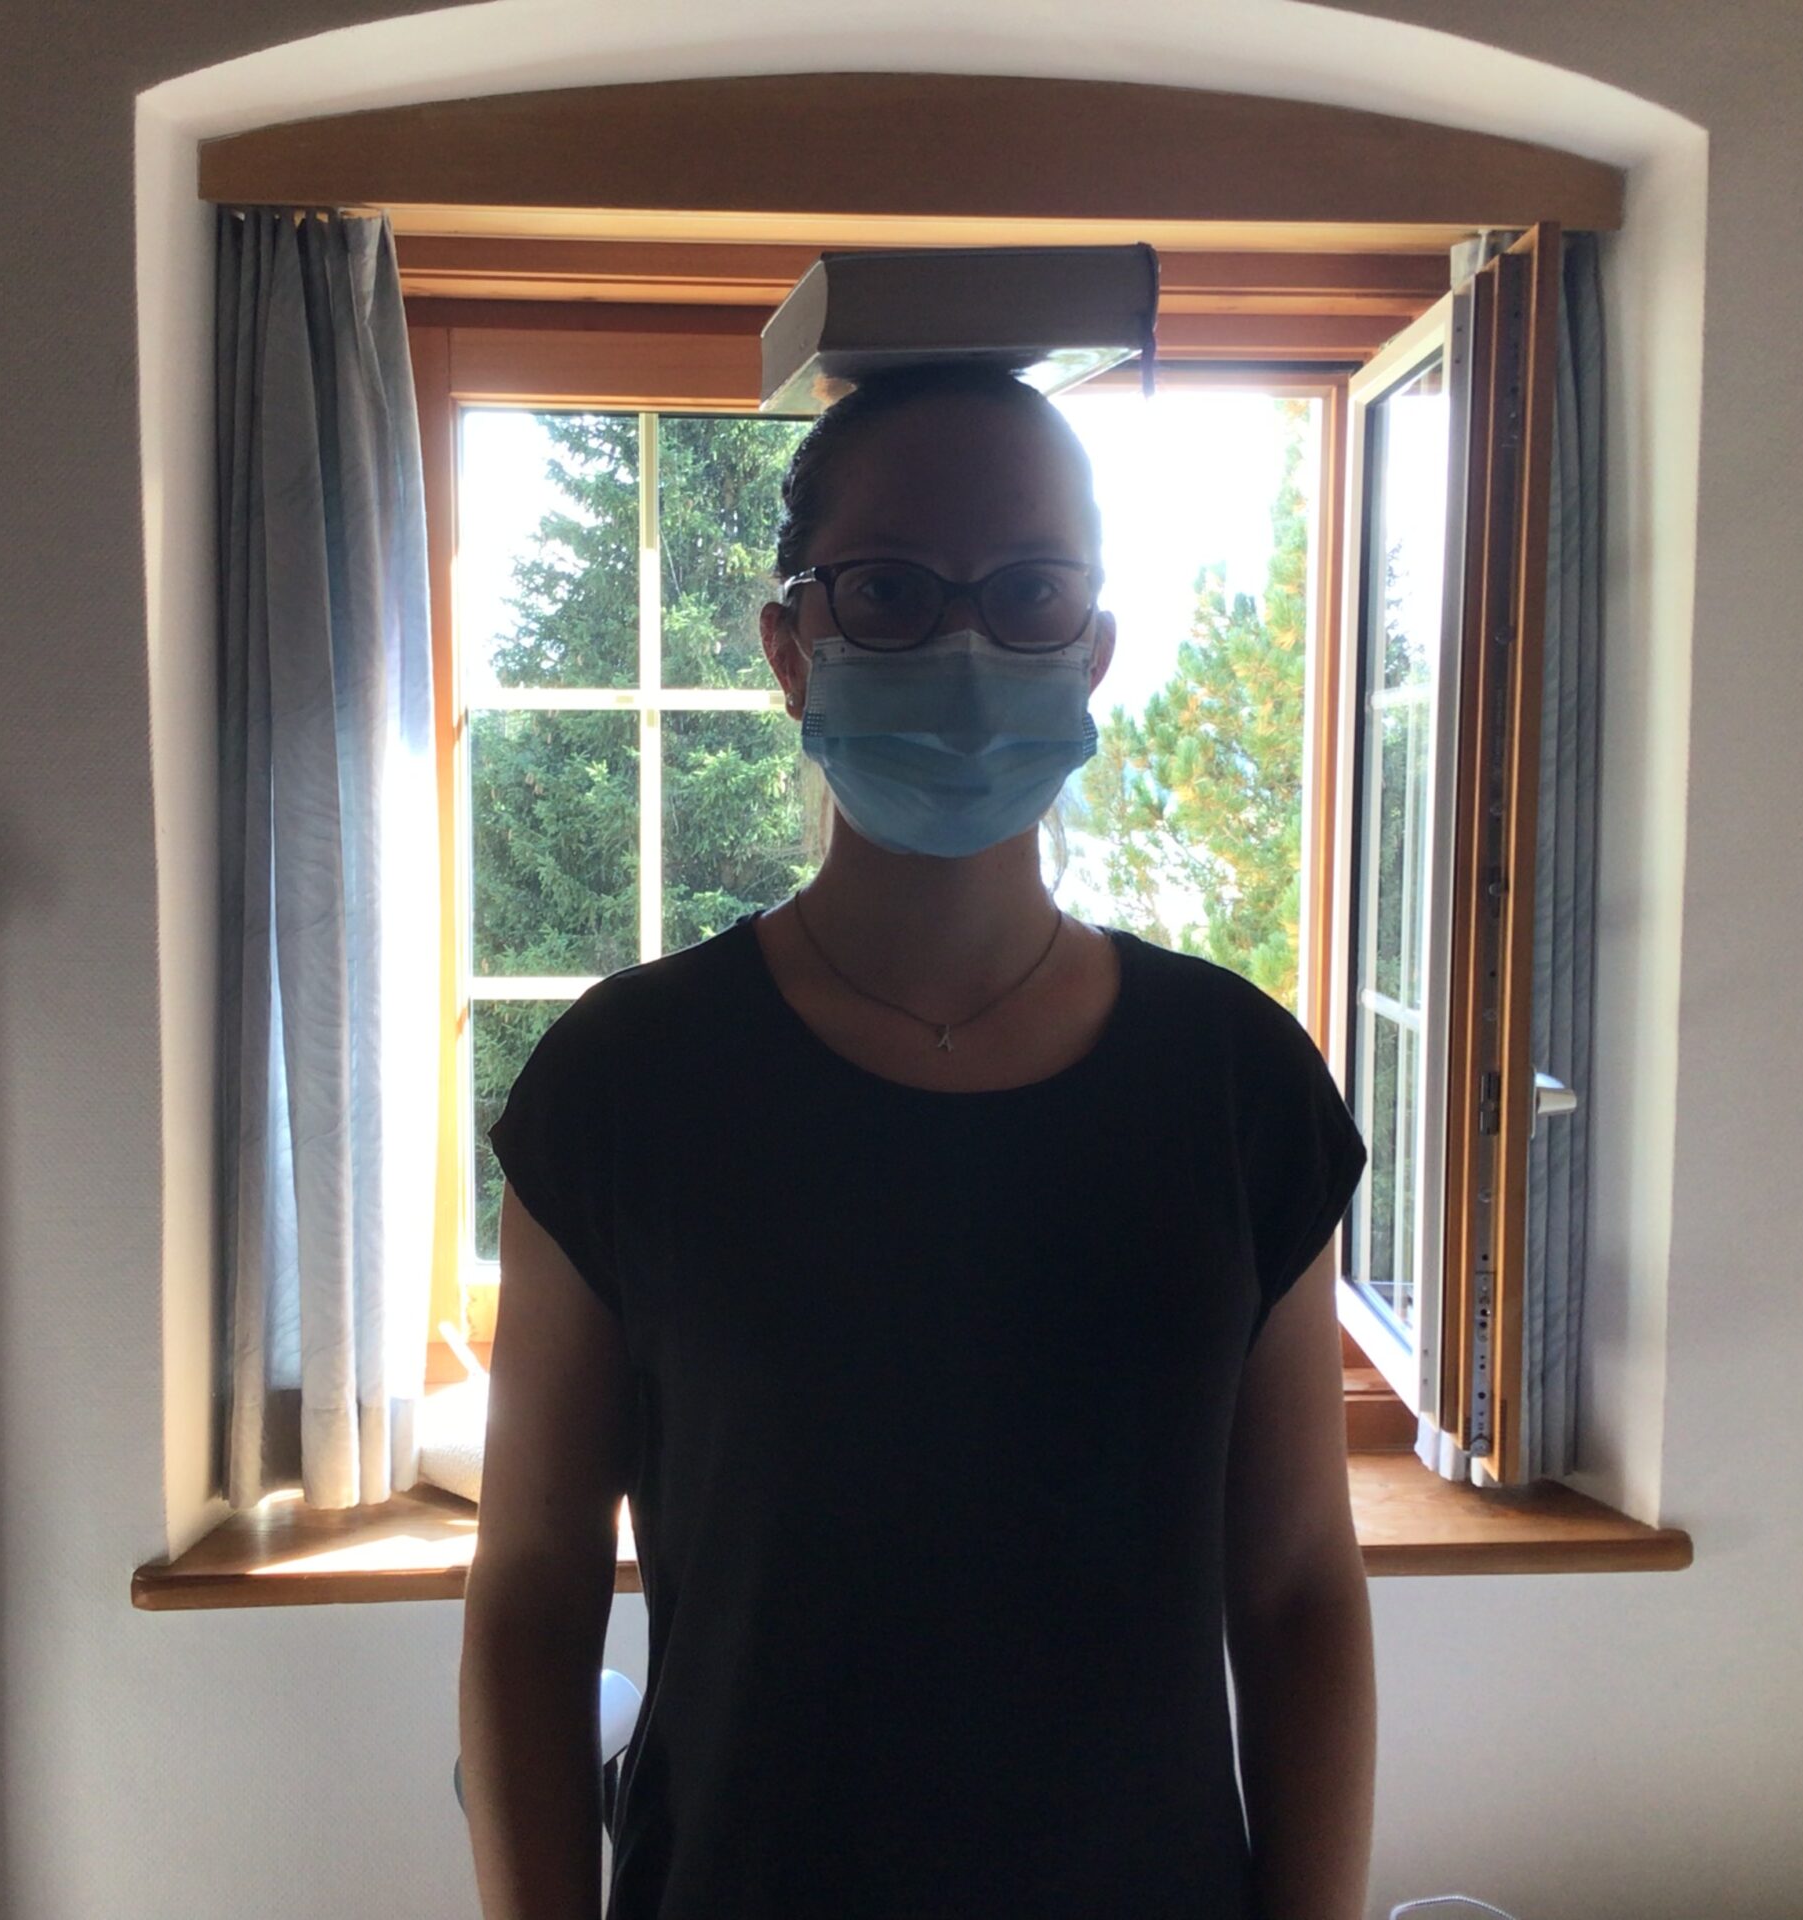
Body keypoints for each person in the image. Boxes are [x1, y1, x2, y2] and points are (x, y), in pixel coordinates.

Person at [459, 360, 1375, 1920]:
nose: (965, 642)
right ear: (790, 649)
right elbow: (535, 1599)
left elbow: (1295, 1593)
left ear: (1091, 649)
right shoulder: (623, 1084)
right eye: (888, 588)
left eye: (1029, 590)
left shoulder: (1238, 1086)